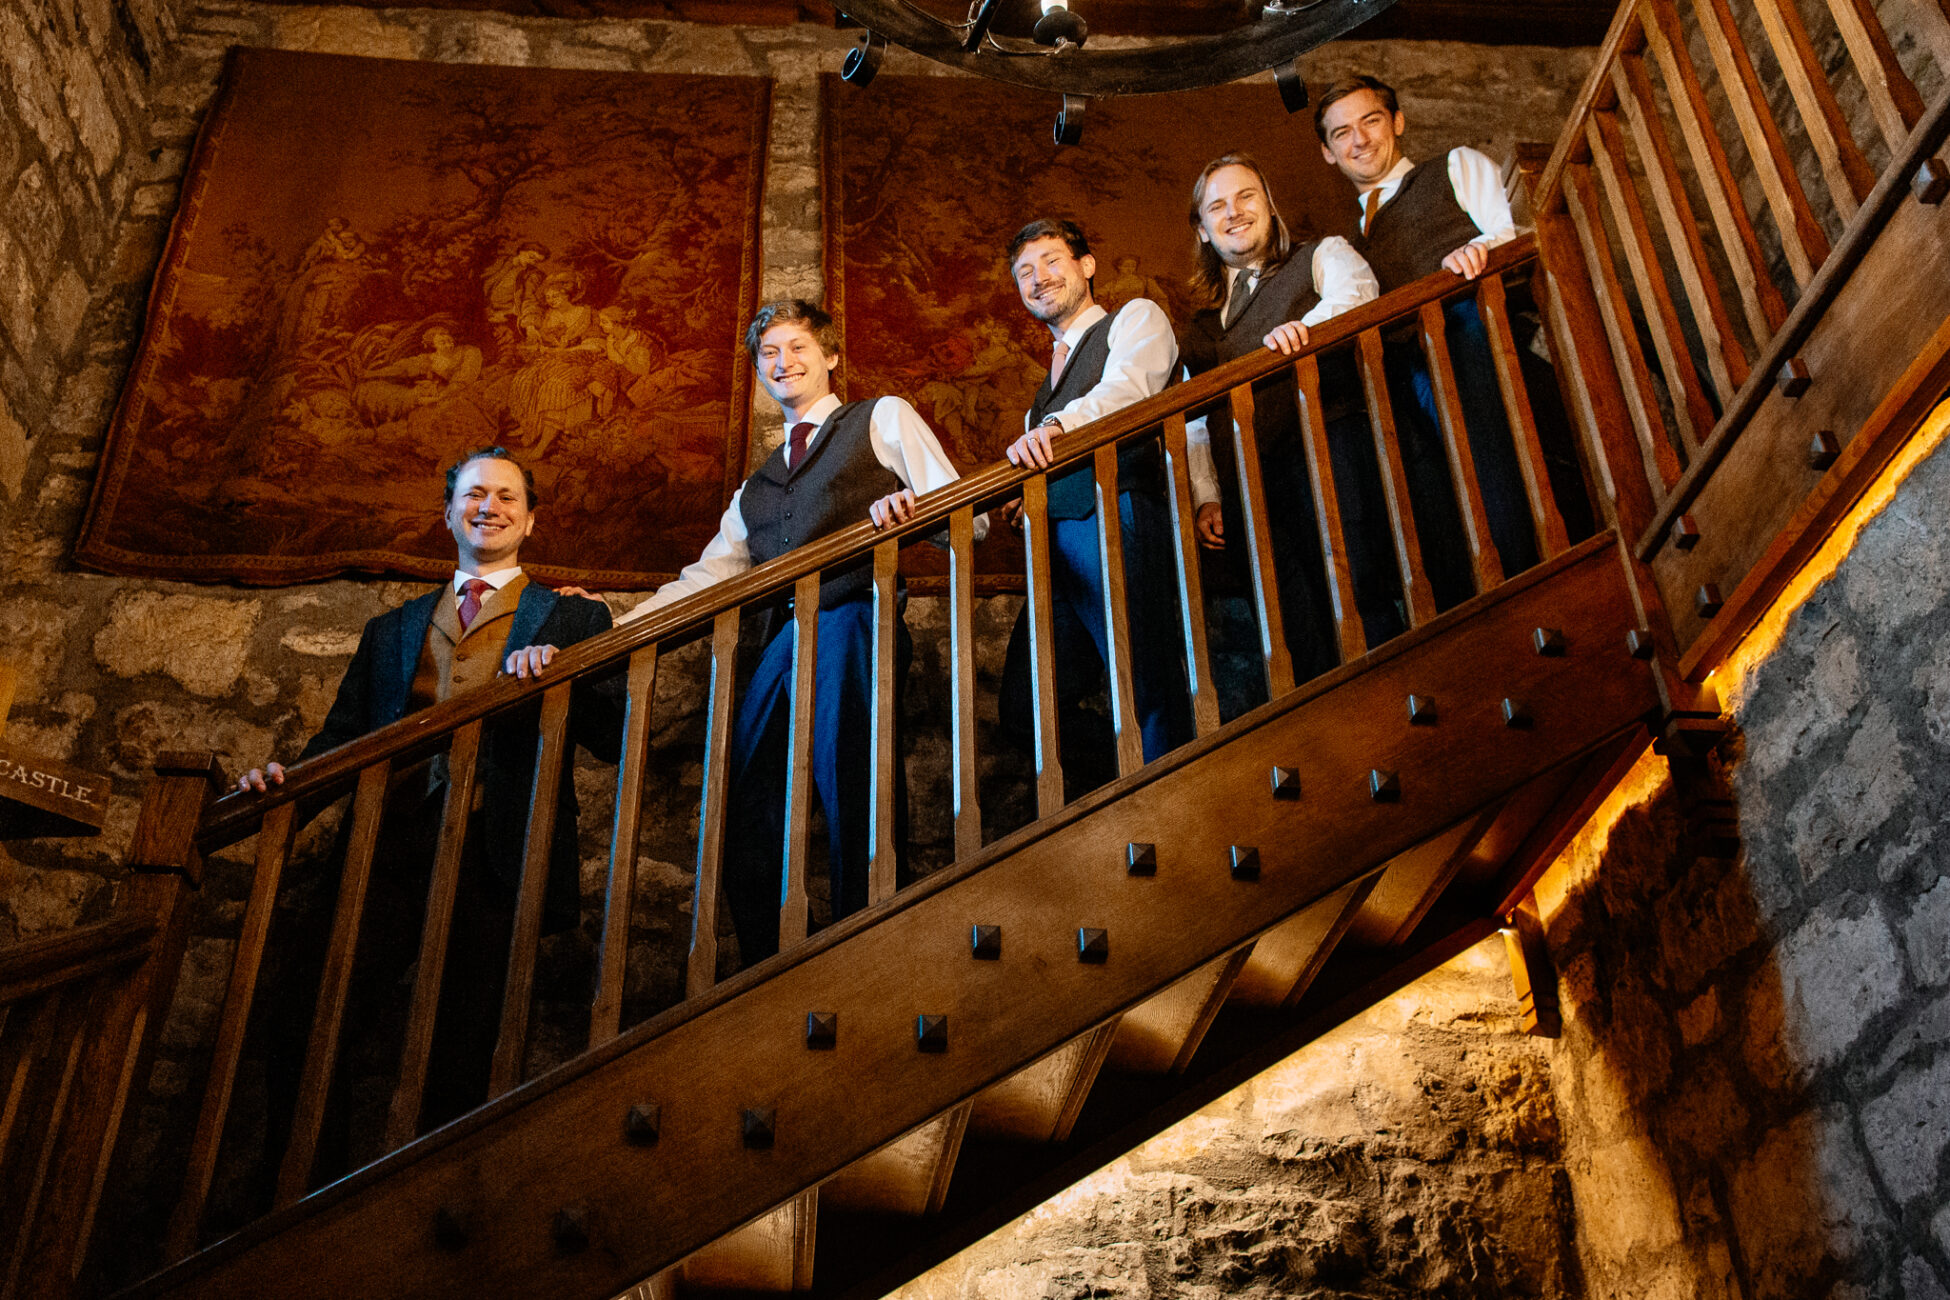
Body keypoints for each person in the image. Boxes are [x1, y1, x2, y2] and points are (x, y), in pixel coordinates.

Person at [512, 299, 979, 967]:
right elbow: (702, 581)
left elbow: (972, 519)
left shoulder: (880, 418)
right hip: (776, 645)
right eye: (769, 355)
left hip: (853, 618)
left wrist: (914, 513)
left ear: (830, 357)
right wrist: (599, 636)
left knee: (854, 785)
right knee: (738, 809)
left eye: (797, 348)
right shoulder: (755, 489)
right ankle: (779, 964)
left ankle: (870, 944)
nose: (783, 363)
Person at [238, 446, 621, 1183]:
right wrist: (285, 778)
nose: (491, 507)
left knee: (467, 1034)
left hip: (494, 847)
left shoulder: (572, 616)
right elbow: (342, 737)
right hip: (385, 841)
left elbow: (609, 737)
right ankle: (299, 1196)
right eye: (475, 494)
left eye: (508, 497)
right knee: (307, 1012)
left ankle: (438, 1205)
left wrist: (564, 675)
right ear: (448, 513)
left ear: (531, 520)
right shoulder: (394, 630)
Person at [1177, 153, 1400, 699]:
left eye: (1246, 197)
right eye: (1218, 206)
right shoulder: (1201, 329)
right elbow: (1197, 422)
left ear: (1270, 207)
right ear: (1203, 230)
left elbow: (1358, 295)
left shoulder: (1320, 254)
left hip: (1325, 442)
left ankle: (1397, 702)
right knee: (1290, 618)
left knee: (1355, 584)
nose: (1234, 212)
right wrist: (1208, 495)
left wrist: (1305, 329)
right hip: (1248, 482)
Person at [1316, 74, 1540, 610]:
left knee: (1489, 467)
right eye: (1342, 133)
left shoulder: (1455, 167)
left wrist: (1477, 253)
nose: (1360, 140)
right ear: (1328, 153)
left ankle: (1525, 579)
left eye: (1371, 121)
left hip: (1472, 339)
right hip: (1400, 381)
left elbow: (1508, 235)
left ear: (1397, 122)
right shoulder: (1344, 245)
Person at [998, 218, 1192, 784]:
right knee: (1024, 709)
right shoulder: (1042, 393)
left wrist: (1056, 427)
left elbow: (1128, 389)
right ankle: (1123, 789)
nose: (1038, 278)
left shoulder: (1134, 318)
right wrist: (1025, 497)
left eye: (1052, 260)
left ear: (1086, 265)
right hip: (1055, 547)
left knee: (1145, 682)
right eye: (1025, 273)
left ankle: (1175, 802)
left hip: (1114, 516)